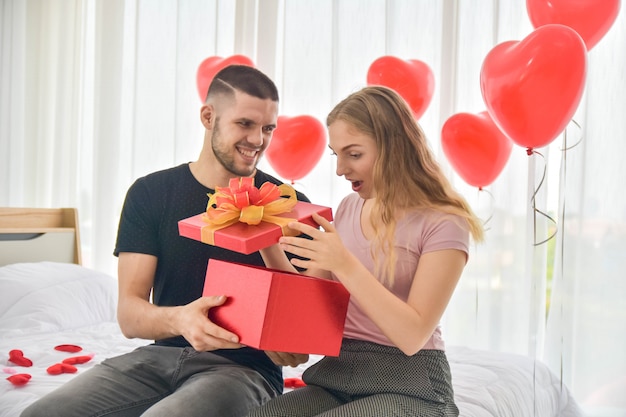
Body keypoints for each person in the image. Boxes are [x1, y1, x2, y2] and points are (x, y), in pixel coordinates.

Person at [21, 65, 310, 417]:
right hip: (158, 359)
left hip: (244, 370)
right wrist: (182, 320)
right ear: (208, 116)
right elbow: (130, 316)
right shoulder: (151, 193)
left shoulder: (289, 203)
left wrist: (292, 339)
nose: (258, 140)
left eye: (268, 128)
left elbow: (302, 321)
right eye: (245, 124)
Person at [247, 85, 485, 417]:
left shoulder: (445, 221)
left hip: (413, 383)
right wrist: (267, 243)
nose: (340, 169)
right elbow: (307, 305)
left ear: (394, 148)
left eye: (354, 154)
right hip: (339, 373)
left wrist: (343, 263)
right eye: (336, 154)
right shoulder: (347, 208)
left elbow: (412, 335)